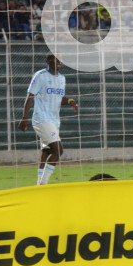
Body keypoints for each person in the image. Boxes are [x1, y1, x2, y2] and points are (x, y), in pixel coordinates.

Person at [18, 54, 79, 185]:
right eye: (55, 59)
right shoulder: (40, 76)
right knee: (58, 150)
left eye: (60, 59)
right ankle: (43, 183)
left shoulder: (62, 79)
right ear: (48, 61)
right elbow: (30, 96)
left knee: (47, 151)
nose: (59, 62)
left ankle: (38, 184)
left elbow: (58, 98)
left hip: (54, 121)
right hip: (41, 119)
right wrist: (24, 118)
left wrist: (70, 101)